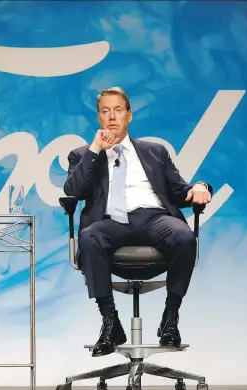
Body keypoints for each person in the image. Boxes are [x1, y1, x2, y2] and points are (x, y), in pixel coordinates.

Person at [63, 87, 212, 357]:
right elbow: (73, 190)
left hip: (154, 217)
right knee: (89, 237)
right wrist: (96, 149)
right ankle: (110, 323)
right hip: (111, 222)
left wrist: (200, 186)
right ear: (98, 118)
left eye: (118, 110)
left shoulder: (155, 151)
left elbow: (180, 190)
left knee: (184, 236)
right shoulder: (83, 154)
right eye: (105, 111)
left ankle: (170, 317)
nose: (111, 116)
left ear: (129, 115)